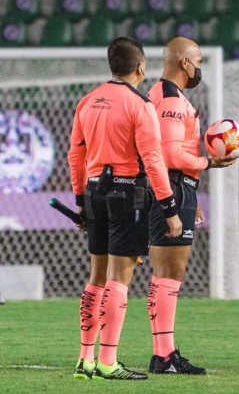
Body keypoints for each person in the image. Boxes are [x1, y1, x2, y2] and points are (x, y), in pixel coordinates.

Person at [68, 36, 182, 380]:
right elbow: (153, 158)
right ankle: (108, 361)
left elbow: (76, 154)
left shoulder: (87, 101)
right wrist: (169, 206)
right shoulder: (140, 104)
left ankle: (85, 359)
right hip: (127, 191)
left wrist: (79, 201)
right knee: (120, 279)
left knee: (95, 278)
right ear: (141, 67)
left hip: (93, 192)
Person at [146, 37, 236, 375]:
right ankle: (164, 355)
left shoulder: (168, 95)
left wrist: (192, 190)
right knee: (169, 273)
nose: (199, 68)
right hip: (170, 187)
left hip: (176, 187)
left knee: (168, 273)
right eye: (197, 61)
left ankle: (164, 353)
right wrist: (208, 162)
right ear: (184, 62)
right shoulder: (170, 99)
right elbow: (170, 155)